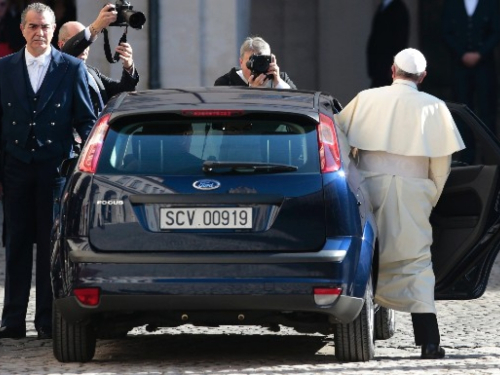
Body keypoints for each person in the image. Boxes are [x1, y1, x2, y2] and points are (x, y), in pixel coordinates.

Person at [334, 48, 465, 359]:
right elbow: (441, 165)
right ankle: (429, 342)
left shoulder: (366, 98)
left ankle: (359, 332)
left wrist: (352, 175)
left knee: (366, 255)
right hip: (413, 190)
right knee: (416, 263)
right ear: (422, 77)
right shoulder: (434, 106)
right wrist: (429, 193)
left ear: (392, 71)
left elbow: (338, 135)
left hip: (367, 185)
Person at [0, 2, 96, 339]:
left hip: (55, 171)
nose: (38, 32)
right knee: (16, 245)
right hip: (15, 168)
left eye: (44, 27)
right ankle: (11, 320)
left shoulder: (71, 68)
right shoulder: (4, 68)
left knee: (51, 247)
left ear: (53, 31)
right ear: (22, 30)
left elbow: (86, 121)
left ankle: (45, 320)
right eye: (32, 26)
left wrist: (86, 171)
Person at [57, 3, 139, 117]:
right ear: (61, 44)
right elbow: (69, 52)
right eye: (79, 39)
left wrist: (128, 66)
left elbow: (123, 92)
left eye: (88, 42)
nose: (85, 46)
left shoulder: (92, 73)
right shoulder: (56, 70)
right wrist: (96, 27)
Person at [442, 0, 500, 138]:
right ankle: (467, 156)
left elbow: (496, 31)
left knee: (487, 110)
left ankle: (490, 156)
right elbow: (446, 32)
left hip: (485, 65)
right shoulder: (452, 3)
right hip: (460, 66)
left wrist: (480, 54)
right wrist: (462, 54)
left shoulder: (491, 3)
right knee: (462, 111)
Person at [214, 36, 296, 89]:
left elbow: (296, 107)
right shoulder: (225, 83)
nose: (256, 66)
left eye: (262, 62)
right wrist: (252, 91)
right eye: (251, 62)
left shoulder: (281, 78)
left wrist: (278, 83)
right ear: (241, 62)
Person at [366, 0, 409, 88]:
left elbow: (400, 41)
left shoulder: (398, 9)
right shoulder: (382, 8)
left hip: (387, 71)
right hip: (380, 69)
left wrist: (393, 68)